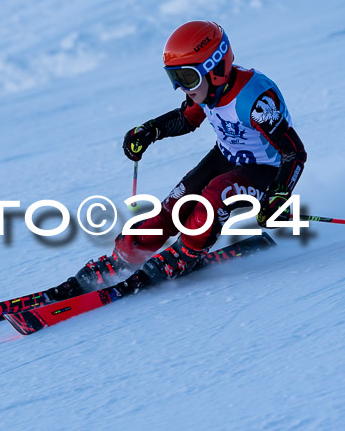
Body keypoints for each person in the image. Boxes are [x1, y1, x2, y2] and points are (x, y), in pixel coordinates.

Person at [50, 20, 306, 300]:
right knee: (173, 208)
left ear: (216, 69)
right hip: (226, 158)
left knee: (216, 194)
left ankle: (187, 252)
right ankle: (124, 257)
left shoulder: (254, 100)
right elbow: (187, 118)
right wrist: (150, 130)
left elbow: (294, 152)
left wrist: (278, 195)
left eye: (187, 78)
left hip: (266, 171)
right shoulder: (208, 91)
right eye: (176, 79)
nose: (182, 88)